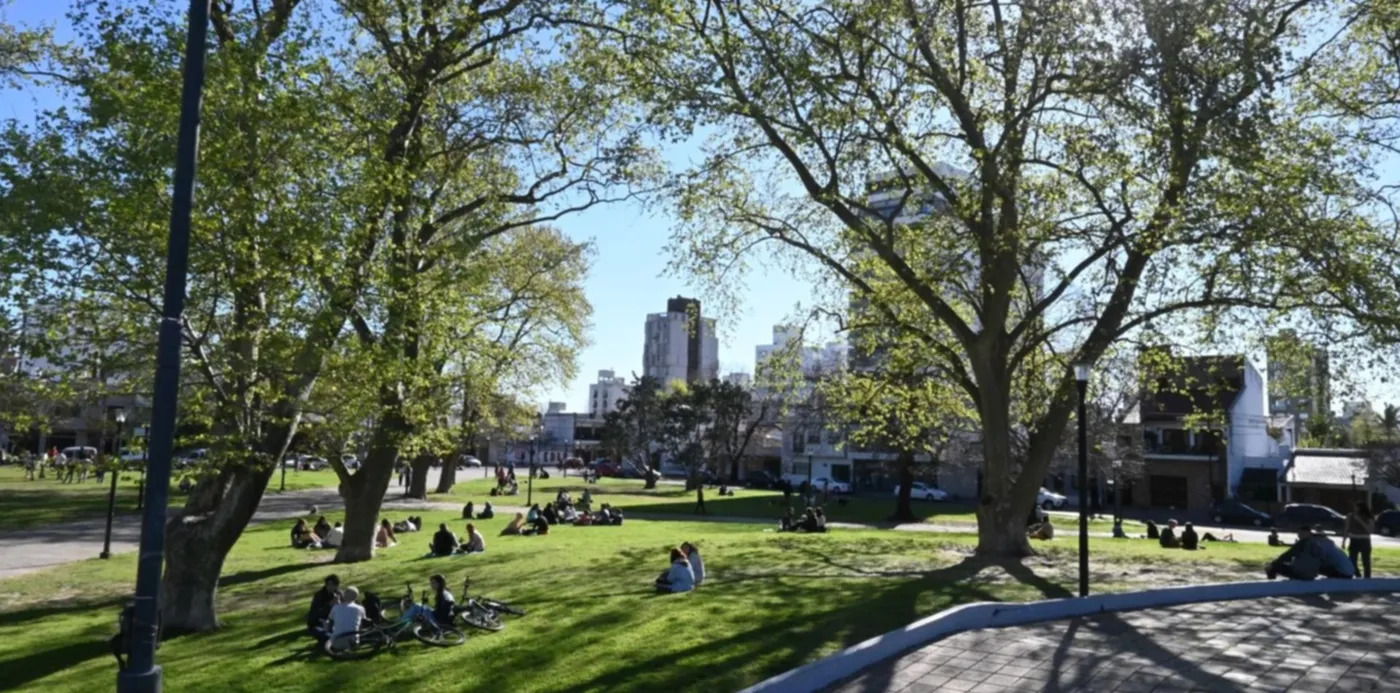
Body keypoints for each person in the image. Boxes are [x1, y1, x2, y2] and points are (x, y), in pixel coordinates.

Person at [1267, 527, 1356, 580]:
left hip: (1342, 574)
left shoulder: (1307, 544)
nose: (1299, 536)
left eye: (1300, 534)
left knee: (1273, 566)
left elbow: (1286, 556)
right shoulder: (1329, 544)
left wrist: (1273, 563)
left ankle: (1270, 585)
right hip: (1348, 572)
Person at [328, 586, 366, 651]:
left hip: (336, 643)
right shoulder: (360, 608)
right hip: (354, 642)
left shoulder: (336, 607)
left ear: (344, 595)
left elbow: (330, 622)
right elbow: (362, 624)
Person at [1344, 503, 1375, 579]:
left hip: (1364, 541)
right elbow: (1346, 529)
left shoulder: (1368, 517)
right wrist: (1344, 541)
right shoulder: (1350, 516)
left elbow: (1370, 530)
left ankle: (1367, 577)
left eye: (1357, 507)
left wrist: (1360, 521)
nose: (1355, 509)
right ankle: (1358, 575)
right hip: (1354, 540)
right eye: (1354, 507)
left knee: (1366, 561)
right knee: (1352, 560)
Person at [306, 574, 341, 642]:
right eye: (329, 585)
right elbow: (315, 614)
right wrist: (329, 605)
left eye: (333, 585)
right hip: (320, 621)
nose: (331, 587)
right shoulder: (320, 595)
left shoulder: (339, 593)